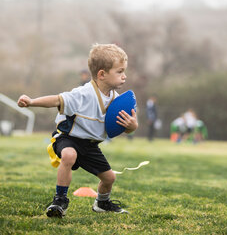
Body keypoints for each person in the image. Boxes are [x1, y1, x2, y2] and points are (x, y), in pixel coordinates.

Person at [17, 43, 138, 218]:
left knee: (109, 178)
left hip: (90, 146)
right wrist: (31, 101)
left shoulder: (116, 101)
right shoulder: (83, 94)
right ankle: (60, 201)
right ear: (102, 74)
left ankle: (102, 203)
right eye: (119, 71)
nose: (124, 76)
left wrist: (132, 127)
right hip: (68, 138)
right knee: (68, 155)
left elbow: (126, 128)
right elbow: (57, 100)